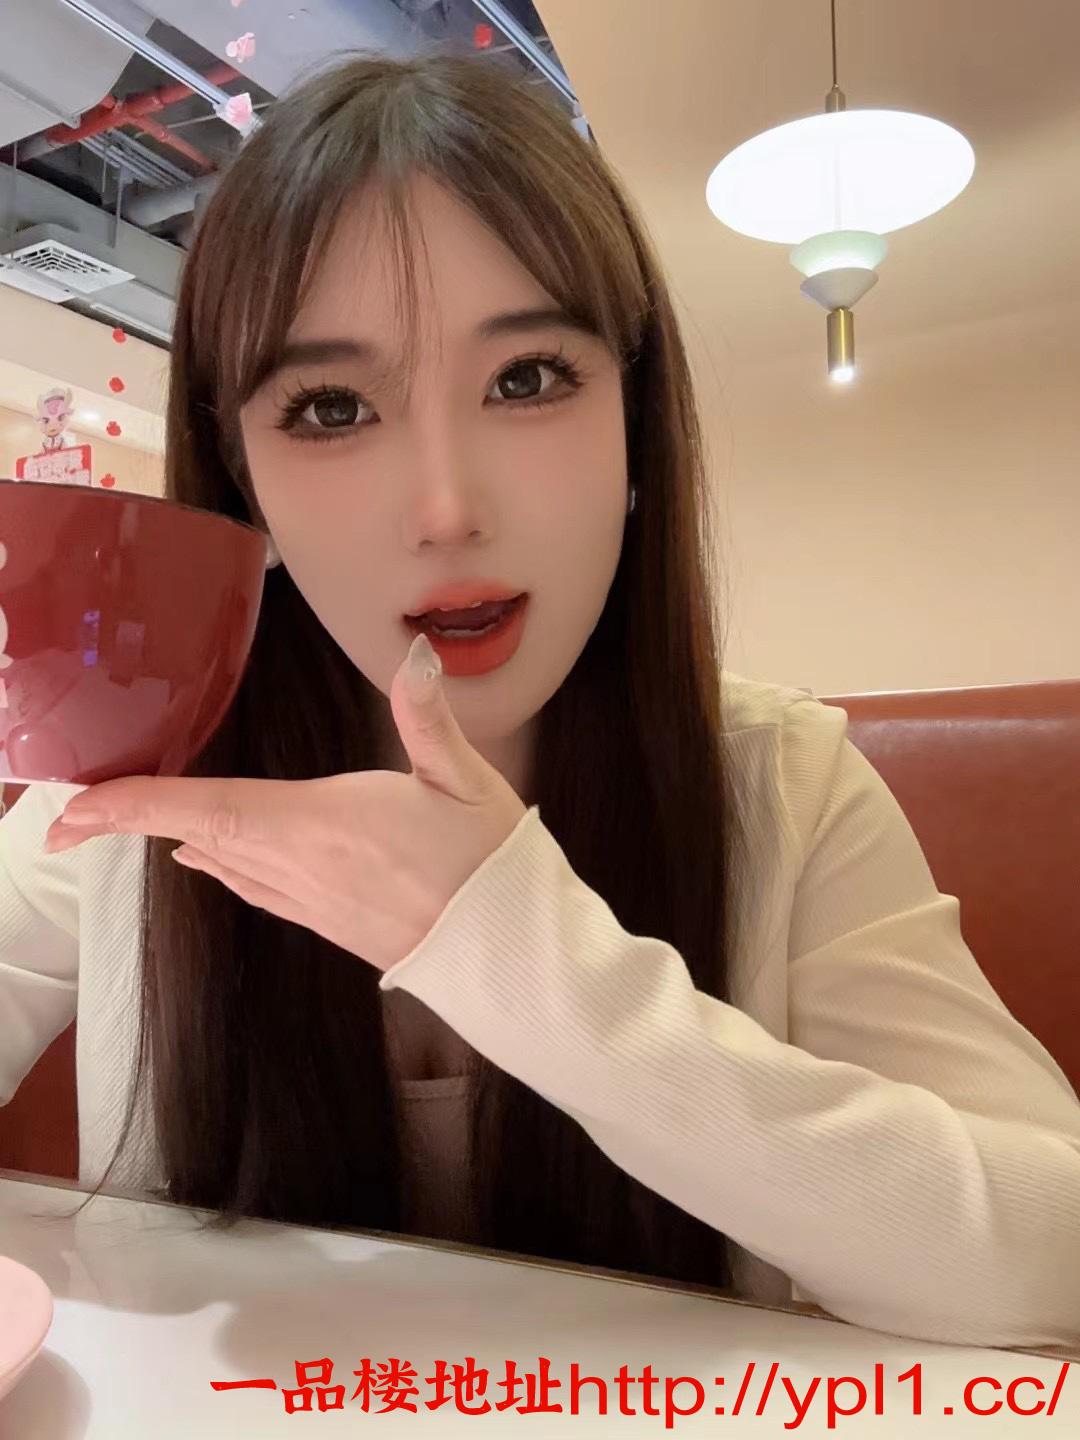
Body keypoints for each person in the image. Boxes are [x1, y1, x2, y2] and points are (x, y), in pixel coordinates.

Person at [1, 53, 1078, 1351]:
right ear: (244, 488)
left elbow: (1052, 1263)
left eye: (526, 380)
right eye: (332, 407)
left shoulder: (779, 783)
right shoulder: (143, 793)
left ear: (636, 429)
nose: (446, 509)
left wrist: (524, 957)